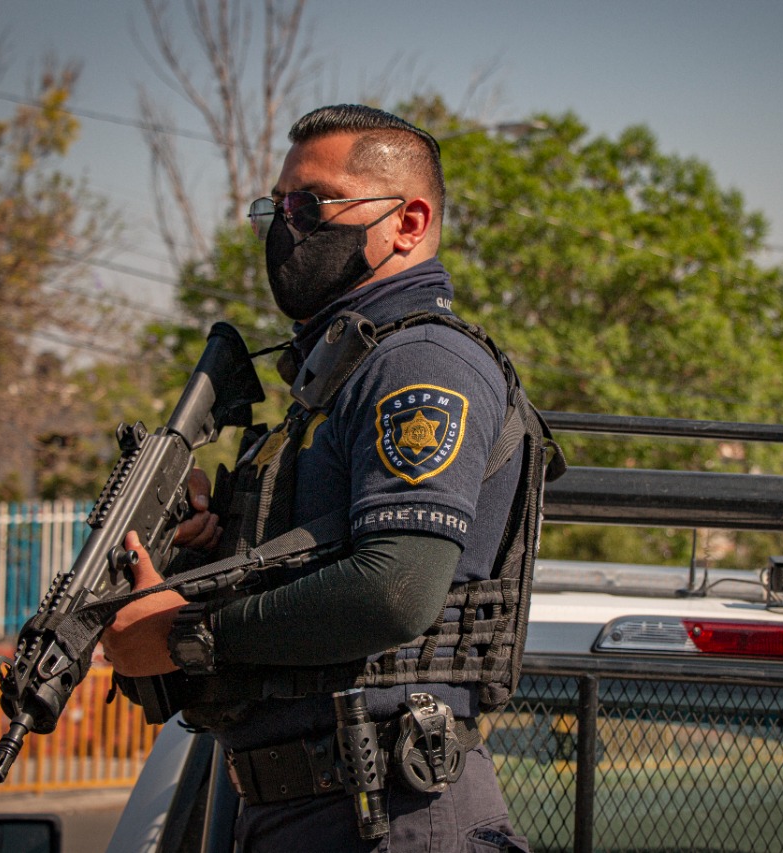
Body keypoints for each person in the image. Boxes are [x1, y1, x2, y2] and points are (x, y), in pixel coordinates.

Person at [101, 104, 552, 852]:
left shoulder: (420, 364)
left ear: (408, 222)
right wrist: (200, 557)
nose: (286, 229)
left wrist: (186, 634)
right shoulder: (336, 378)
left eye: (311, 206)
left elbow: (395, 588)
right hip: (305, 812)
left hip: (388, 817)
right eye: (276, 208)